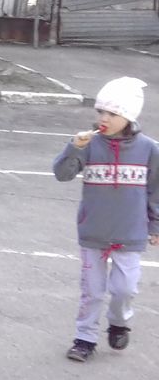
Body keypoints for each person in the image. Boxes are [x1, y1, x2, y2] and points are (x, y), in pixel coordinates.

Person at [53, 76, 159, 363]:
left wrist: (155, 225)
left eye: (112, 113)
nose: (104, 118)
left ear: (128, 116)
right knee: (92, 291)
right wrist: (74, 147)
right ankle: (84, 338)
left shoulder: (149, 149)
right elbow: (62, 174)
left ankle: (118, 322)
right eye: (101, 112)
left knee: (125, 289)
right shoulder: (89, 144)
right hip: (94, 231)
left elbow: (155, 190)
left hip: (130, 233)